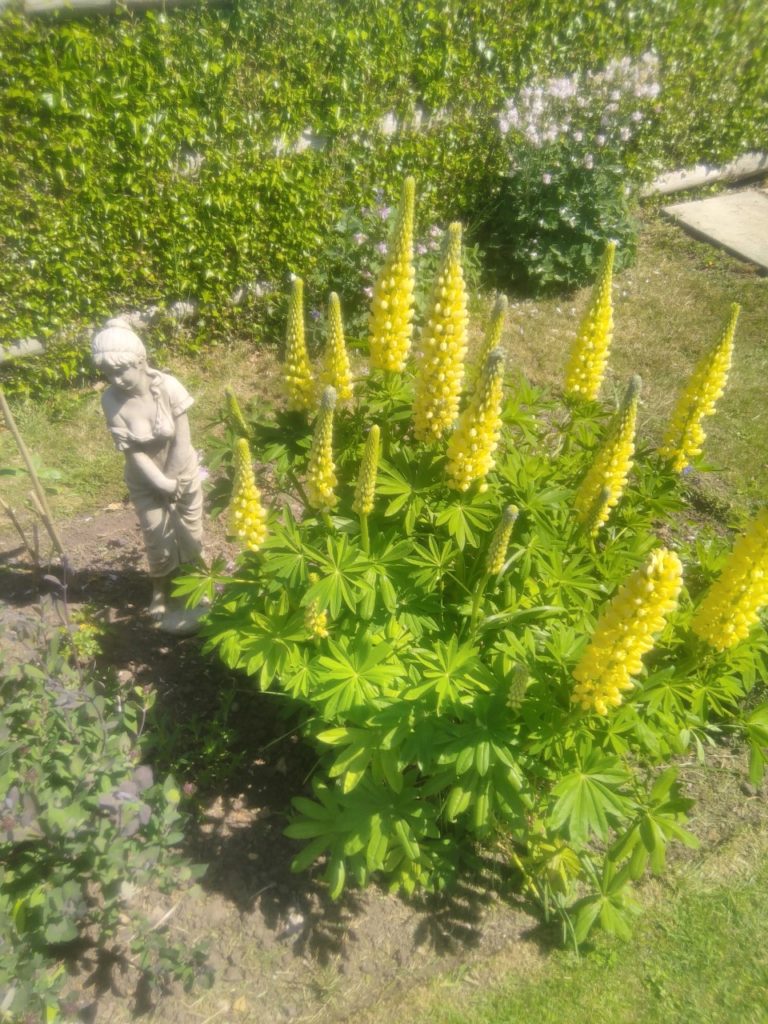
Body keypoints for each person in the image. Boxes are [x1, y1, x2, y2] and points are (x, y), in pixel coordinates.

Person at [92, 319, 204, 629]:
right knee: (158, 540)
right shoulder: (111, 400)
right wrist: (161, 483)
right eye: (109, 373)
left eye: (122, 370)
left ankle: (197, 588)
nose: (116, 379)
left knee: (191, 534)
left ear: (141, 361)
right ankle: (160, 590)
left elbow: (183, 439)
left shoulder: (168, 387)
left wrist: (175, 480)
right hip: (145, 481)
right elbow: (132, 452)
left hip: (182, 473)